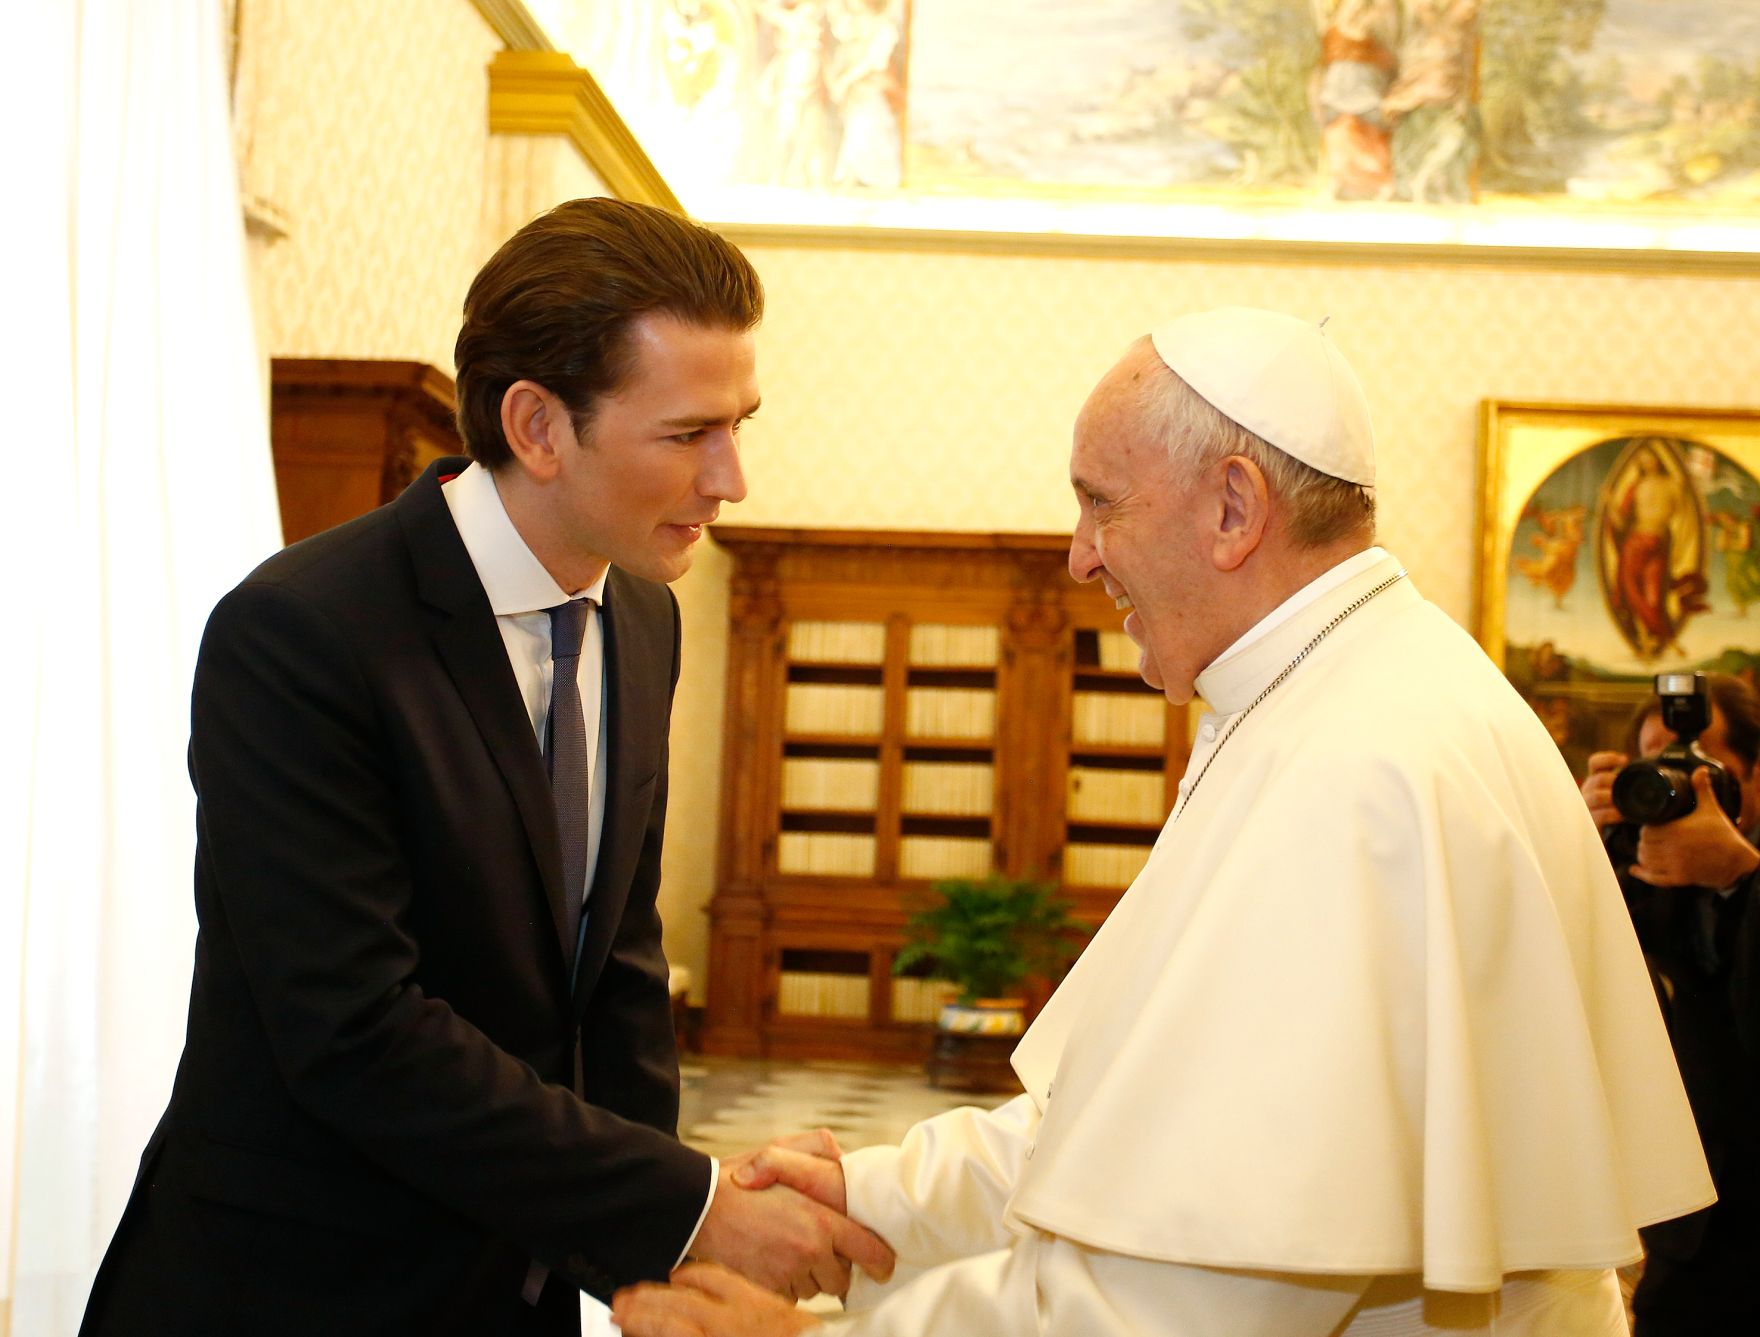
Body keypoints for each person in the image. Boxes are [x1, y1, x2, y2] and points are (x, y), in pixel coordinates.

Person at [612, 307, 1713, 1336]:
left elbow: (1193, 1292)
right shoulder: (1321, 694)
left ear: (1232, 508)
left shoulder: (1357, 765)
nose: (1078, 552)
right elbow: (1119, 1137)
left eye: (1100, 500)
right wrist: (874, 1194)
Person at [79, 198, 890, 1337]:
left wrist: (646, 1257)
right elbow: (356, 1026)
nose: (731, 478)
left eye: (740, 423)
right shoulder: (301, 632)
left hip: (510, 1288)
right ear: (538, 425)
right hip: (295, 1287)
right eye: (687, 433)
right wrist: (687, 1206)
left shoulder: (642, 619)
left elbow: (613, 970)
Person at [1580, 675, 1760, 1335]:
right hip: (1687, 1235)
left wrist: (1739, 874)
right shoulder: (1636, 868)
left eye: (1705, 769)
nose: (1679, 788)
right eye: (1659, 768)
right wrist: (1580, 844)